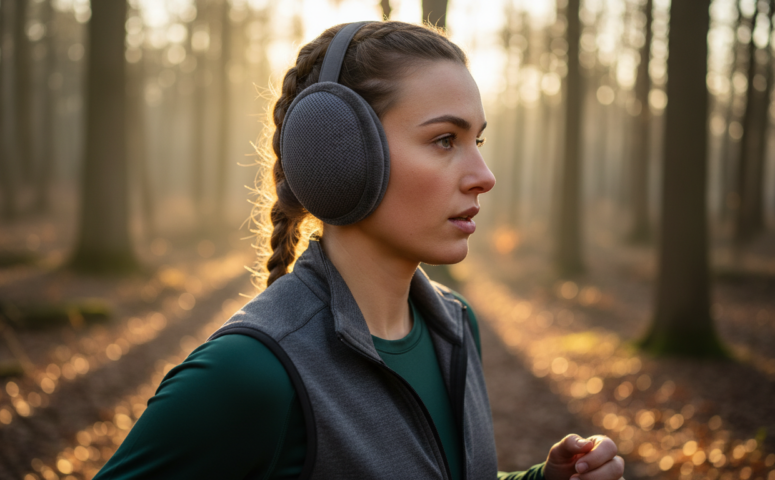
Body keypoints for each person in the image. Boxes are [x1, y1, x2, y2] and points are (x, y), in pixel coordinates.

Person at [94, 21, 625, 480]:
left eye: (477, 142)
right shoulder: (251, 373)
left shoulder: (455, 327)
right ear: (340, 152)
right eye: (445, 140)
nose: (484, 177)